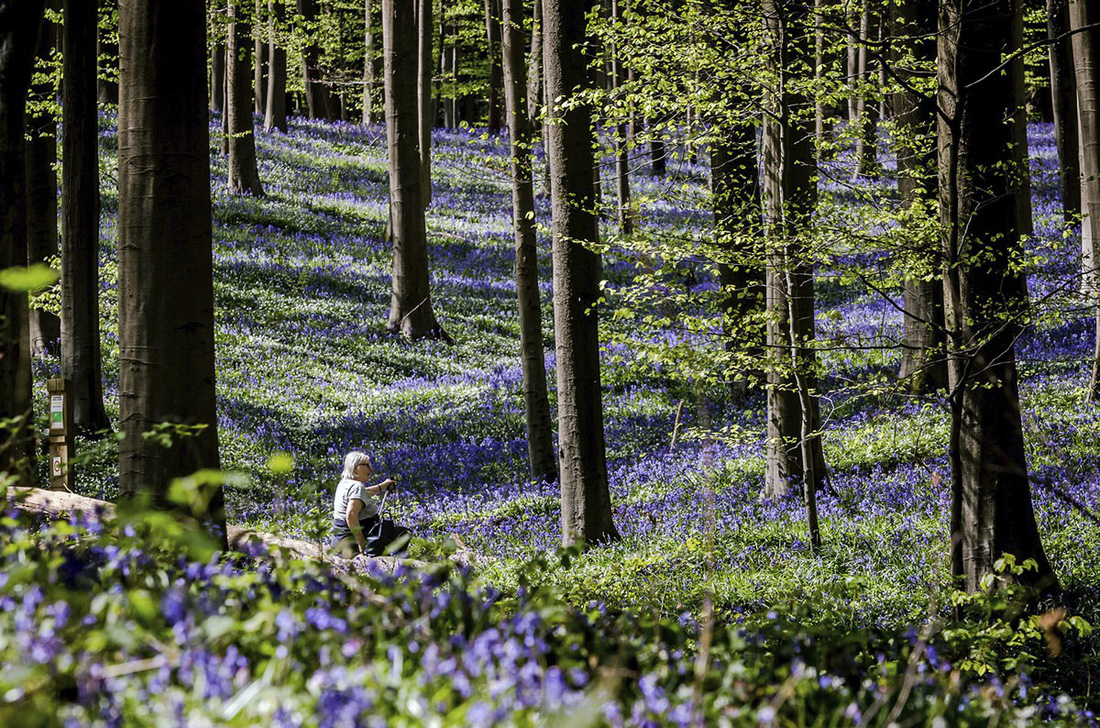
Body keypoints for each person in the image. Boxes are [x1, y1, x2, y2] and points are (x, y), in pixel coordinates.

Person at [330, 451, 408, 558]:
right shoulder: (356, 487)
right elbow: (351, 516)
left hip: (340, 539)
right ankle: (397, 566)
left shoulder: (344, 483)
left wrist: (383, 486)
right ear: (356, 467)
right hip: (359, 540)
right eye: (367, 465)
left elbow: (363, 493)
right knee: (403, 533)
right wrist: (362, 543)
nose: (371, 469)